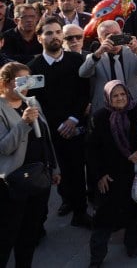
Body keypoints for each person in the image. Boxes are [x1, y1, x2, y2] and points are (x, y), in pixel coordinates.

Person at [27, 16, 92, 228]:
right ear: (39, 38)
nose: (54, 36)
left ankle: (80, 212)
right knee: (56, 172)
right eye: (48, 33)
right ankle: (65, 202)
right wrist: (56, 125)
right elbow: (35, 101)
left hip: (74, 125)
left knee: (75, 169)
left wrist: (73, 120)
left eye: (57, 32)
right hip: (49, 130)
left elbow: (84, 93)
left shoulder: (76, 61)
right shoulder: (32, 68)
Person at [86, 80, 137, 267]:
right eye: (115, 95)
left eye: (123, 94)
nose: (120, 98)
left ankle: (132, 244)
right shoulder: (100, 117)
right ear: (108, 97)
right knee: (104, 218)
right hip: (111, 176)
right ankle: (97, 256)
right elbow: (91, 150)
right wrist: (99, 175)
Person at [0, 62, 60, 268]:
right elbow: (4, 148)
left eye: (28, 80)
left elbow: (45, 137)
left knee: (29, 235)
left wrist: (54, 167)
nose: (25, 86)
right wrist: (23, 123)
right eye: (20, 81)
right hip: (13, 183)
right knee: (7, 235)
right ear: (5, 84)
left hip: (38, 178)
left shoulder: (32, 102)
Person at [79, 20, 137, 114]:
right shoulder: (95, 57)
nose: (113, 38)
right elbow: (83, 73)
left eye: (116, 34)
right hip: (106, 108)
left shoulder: (133, 52)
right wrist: (99, 53)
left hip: (136, 104)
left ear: (122, 33)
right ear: (100, 40)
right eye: (107, 35)